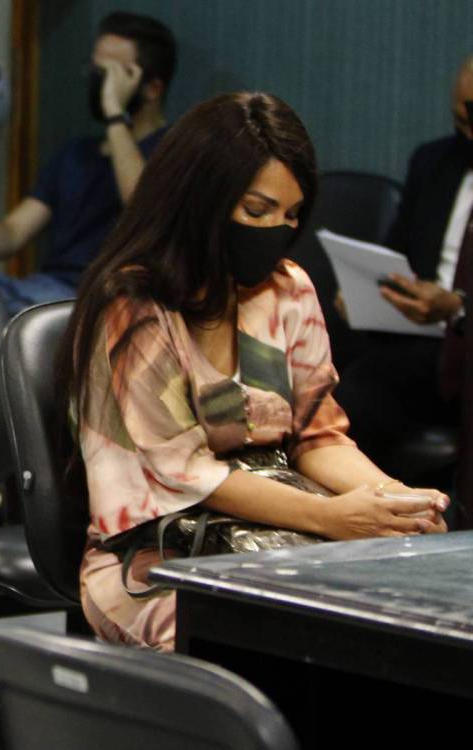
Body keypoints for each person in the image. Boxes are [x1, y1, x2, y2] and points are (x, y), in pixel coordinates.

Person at [58, 92, 449, 652]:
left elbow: (317, 435)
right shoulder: (136, 305)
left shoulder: (287, 289)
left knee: (401, 616)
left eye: (290, 215)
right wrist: (332, 518)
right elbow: (184, 472)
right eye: (257, 211)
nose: (276, 230)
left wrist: (390, 503)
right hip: (157, 555)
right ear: (200, 199)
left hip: (285, 533)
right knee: (287, 640)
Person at [0, 12, 176, 315]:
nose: (96, 82)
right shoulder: (75, 153)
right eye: (94, 70)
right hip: (41, 290)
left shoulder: (172, 151)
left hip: (99, 302)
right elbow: (14, 232)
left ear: (151, 88)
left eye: (109, 74)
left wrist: (114, 114)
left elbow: (141, 205)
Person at [333, 56, 473, 476]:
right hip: (415, 329)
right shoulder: (434, 161)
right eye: (460, 119)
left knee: (361, 389)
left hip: (460, 338)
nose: (466, 132)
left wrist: (456, 307)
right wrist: (365, 292)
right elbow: (397, 253)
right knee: (320, 356)